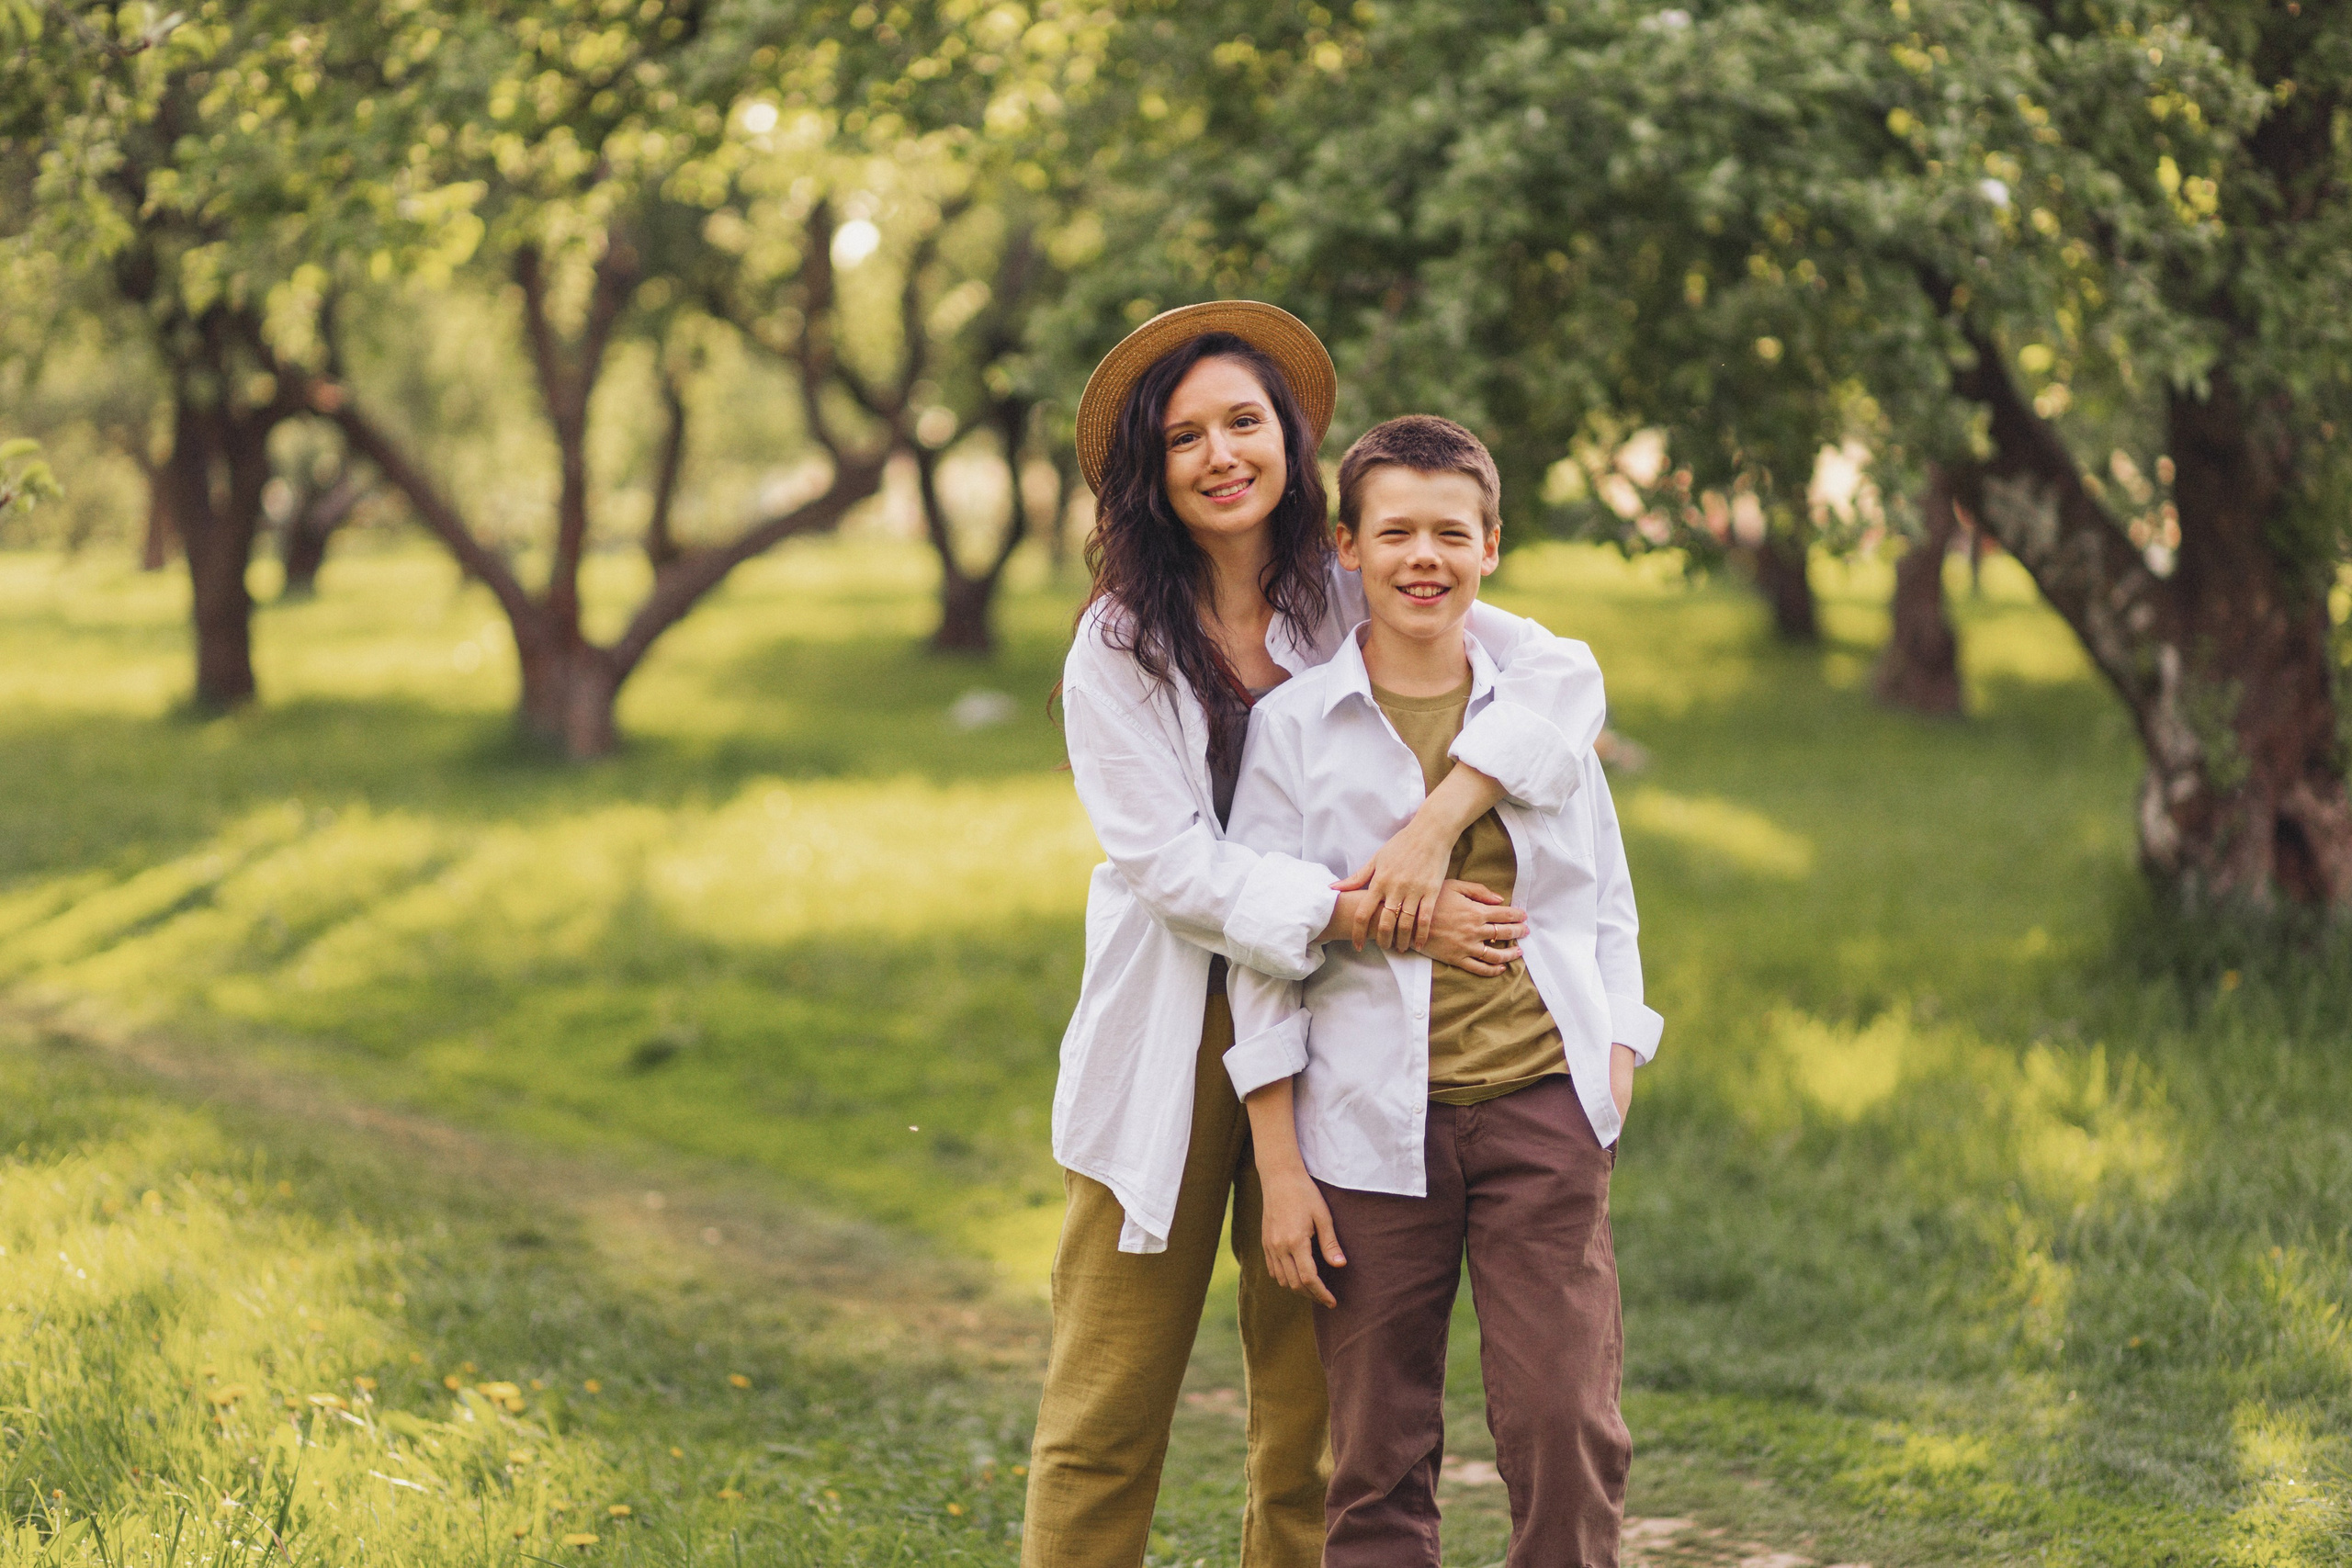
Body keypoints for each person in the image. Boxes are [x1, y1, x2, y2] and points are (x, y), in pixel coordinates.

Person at [1025, 306, 1610, 1567]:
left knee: (1311, 1413)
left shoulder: (1346, 584)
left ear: (1289, 441)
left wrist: (1437, 823)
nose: (1221, 454)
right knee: (1110, 1396)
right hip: (1177, 1024)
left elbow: (1564, 679)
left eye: (1244, 421)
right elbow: (1170, 865)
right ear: (1149, 469)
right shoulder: (1117, 643)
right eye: (1184, 436)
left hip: (1345, 1030)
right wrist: (1378, 910)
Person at [1225, 415, 1662, 1568]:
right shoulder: (1292, 730)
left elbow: (1604, 903)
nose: (1425, 556)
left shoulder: (1541, 712)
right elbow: (1260, 953)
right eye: (1396, 532)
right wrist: (1280, 1168)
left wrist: (1614, 1059)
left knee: (1564, 1423)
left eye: (1452, 534)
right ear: (1345, 548)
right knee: (1375, 1451)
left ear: (1491, 546)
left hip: (1541, 1110)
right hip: (1367, 1131)